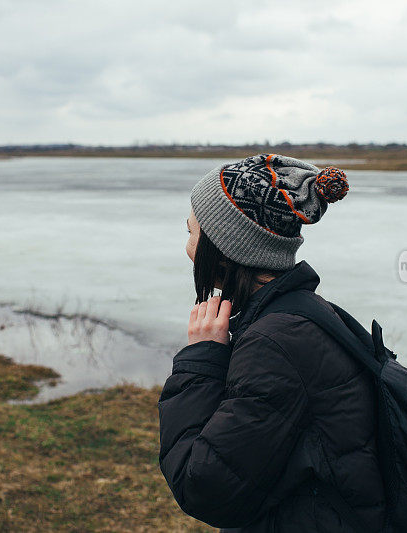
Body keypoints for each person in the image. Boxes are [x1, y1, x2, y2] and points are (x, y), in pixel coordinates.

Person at [158, 154, 385, 532]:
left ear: (225, 247)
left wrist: (201, 360)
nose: (187, 247)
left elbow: (203, 487)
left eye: (191, 232)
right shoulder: (304, 312)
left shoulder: (274, 344)